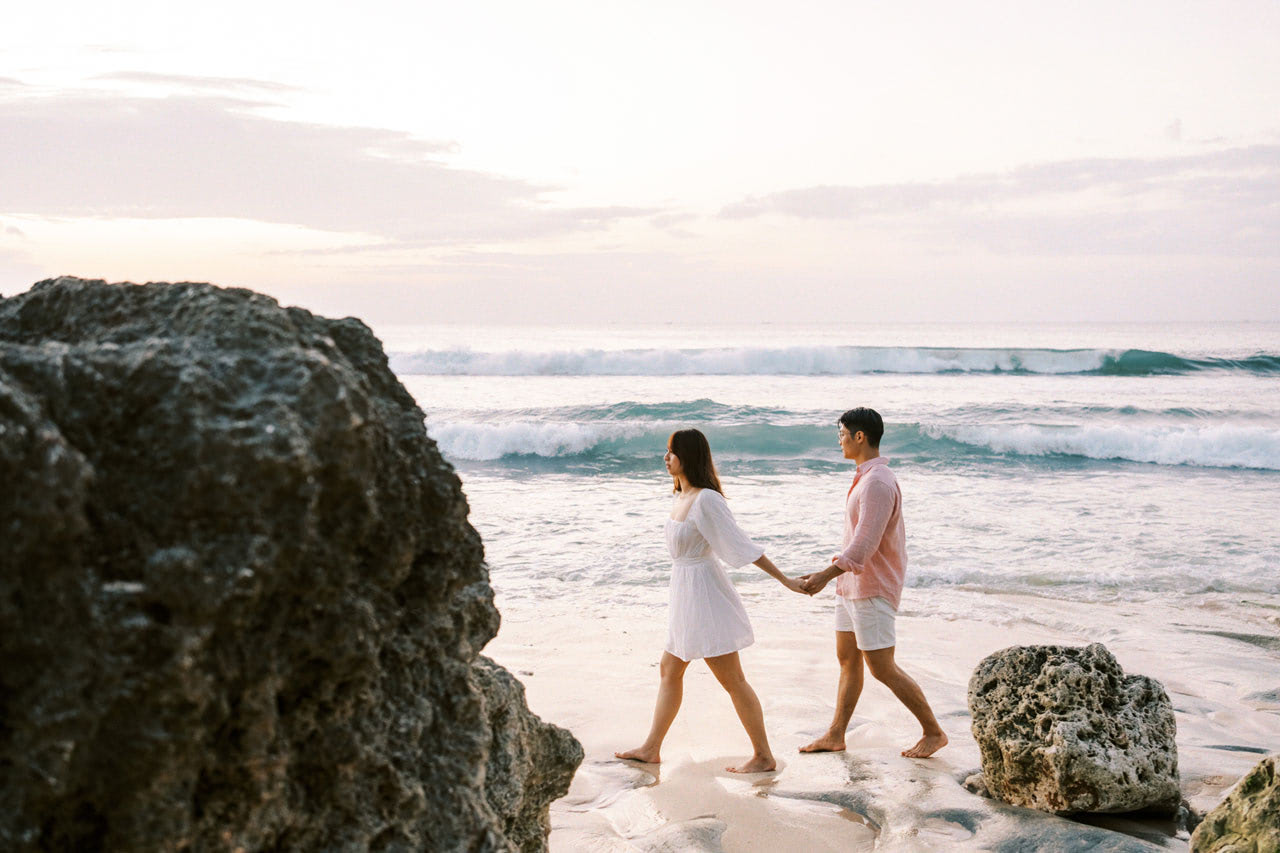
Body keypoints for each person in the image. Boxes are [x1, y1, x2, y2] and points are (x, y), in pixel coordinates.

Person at [616, 428, 805, 773]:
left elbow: (741, 546)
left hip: (705, 597)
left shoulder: (707, 500)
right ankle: (651, 747)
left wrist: (785, 580)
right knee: (669, 669)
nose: (665, 457)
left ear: (687, 456)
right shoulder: (681, 497)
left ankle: (764, 755)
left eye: (671, 451)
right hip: (685, 595)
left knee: (732, 679)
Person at [798, 407, 948, 759]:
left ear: (859, 437)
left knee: (881, 667)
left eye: (842, 435)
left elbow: (863, 547)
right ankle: (836, 734)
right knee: (848, 660)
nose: (840, 441)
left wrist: (823, 575)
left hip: (873, 587)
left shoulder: (878, 483)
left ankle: (934, 731)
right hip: (851, 587)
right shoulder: (866, 478)